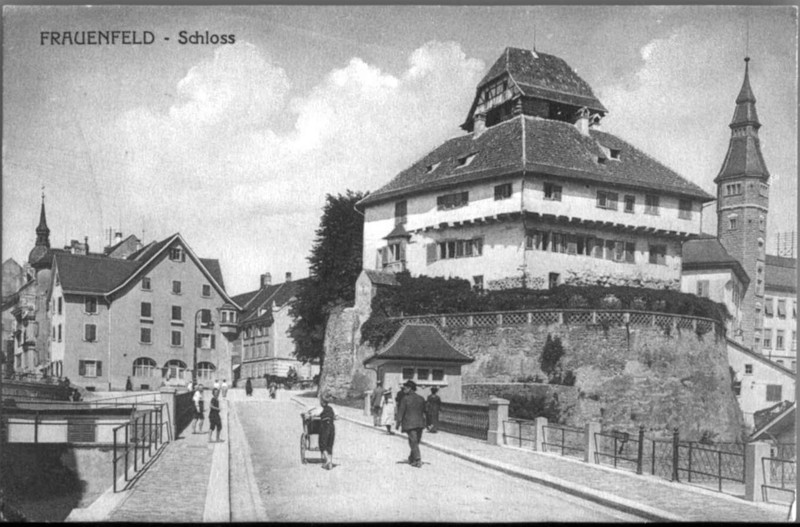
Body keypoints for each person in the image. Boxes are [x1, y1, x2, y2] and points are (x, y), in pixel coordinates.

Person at [396, 380, 426, 468]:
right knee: (415, 441)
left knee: (413, 442)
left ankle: (417, 459)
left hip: (409, 423)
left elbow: (401, 411)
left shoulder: (405, 399)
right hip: (420, 423)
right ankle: (411, 458)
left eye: (405, 388)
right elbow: (426, 411)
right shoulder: (421, 398)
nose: (403, 389)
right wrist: (429, 423)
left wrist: (398, 422)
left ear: (410, 388)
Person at [306, 394, 338, 470]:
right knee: (330, 444)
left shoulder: (320, 409)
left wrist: (310, 415)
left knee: (322, 444)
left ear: (323, 403)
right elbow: (336, 416)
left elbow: (314, 414)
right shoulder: (332, 408)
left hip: (325, 427)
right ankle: (329, 462)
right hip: (331, 426)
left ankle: (328, 461)